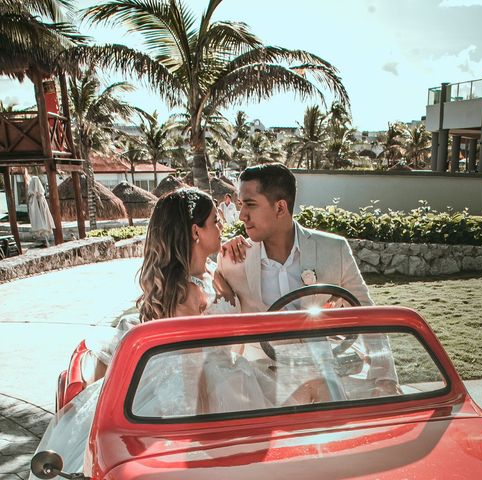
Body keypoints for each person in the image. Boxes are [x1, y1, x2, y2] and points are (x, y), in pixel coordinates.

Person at [30, 187, 264, 479]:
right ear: (195, 231)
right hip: (200, 387)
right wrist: (202, 435)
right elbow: (193, 371)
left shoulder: (210, 272)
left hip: (225, 372)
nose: (223, 227)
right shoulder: (187, 295)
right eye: (215, 221)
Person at [217, 163, 399, 399]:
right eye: (241, 205)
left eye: (250, 205)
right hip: (262, 384)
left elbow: (368, 316)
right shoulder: (232, 260)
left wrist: (386, 379)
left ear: (280, 208)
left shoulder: (334, 249)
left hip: (327, 377)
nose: (242, 215)